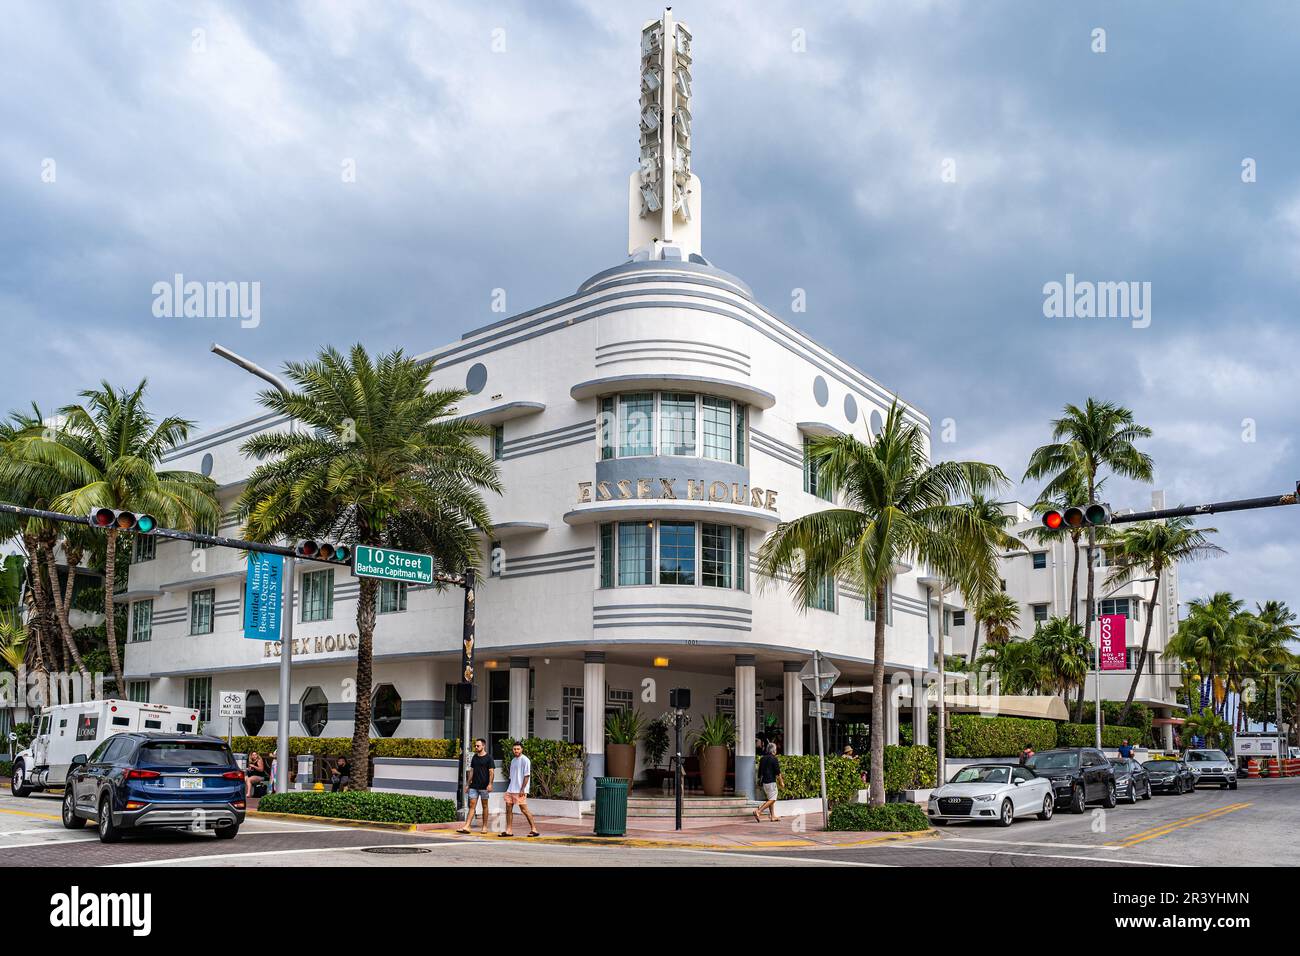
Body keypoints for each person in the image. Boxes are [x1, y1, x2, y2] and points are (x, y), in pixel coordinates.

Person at [501, 742, 539, 838]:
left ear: (521, 749)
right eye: (514, 749)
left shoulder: (525, 760)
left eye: (518, 749)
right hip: (511, 789)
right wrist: (509, 788)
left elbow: (527, 776)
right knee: (508, 808)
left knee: (524, 810)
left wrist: (522, 789)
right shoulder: (513, 760)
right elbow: (512, 776)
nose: (516, 751)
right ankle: (509, 830)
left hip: (520, 789)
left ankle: (534, 829)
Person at [458, 738, 494, 835]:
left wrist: (490, 784)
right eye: (476, 746)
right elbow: (472, 771)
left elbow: (491, 772)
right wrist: (468, 784)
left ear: (483, 746)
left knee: (485, 806)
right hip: (474, 786)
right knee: (472, 806)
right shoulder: (474, 757)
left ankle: (484, 827)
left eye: (478, 745)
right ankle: (467, 826)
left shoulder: (489, 758)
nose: (476, 747)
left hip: (484, 787)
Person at [754, 742, 784, 822]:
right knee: (773, 799)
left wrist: (758, 782)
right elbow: (778, 772)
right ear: (774, 750)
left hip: (764, 783)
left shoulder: (763, 758)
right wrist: (781, 782)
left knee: (770, 798)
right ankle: (759, 811)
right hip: (771, 782)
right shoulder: (774, 758)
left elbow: (760, 772)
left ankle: (773, 816)